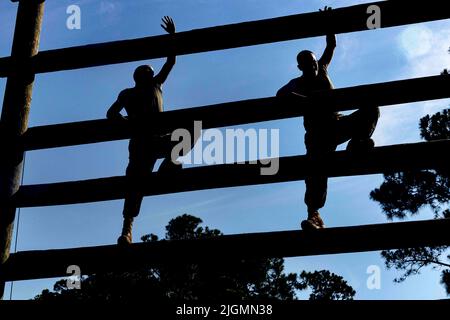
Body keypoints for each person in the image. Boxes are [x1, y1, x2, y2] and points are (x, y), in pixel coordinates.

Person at [276, 7, 380, 231]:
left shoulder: (322, 68)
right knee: (316, 172)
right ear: (300, 67)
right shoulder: (298, 82)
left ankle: (358, 142)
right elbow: (280, 95)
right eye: (307, 64)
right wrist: (305, 101)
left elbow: (331, 46)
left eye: (313, 62)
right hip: (317, 134)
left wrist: (328, 22)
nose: (312, 66)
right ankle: (315, 216)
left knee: (371, 108)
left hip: (337, 123)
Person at [107, 16, 189, 245]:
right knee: (134, 186)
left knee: (189, 132)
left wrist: (173, 37)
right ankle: (127, 230)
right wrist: (128, 124)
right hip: (142, 143)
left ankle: (169, 164)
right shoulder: (141, 90)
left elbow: (170, 62)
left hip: (151, 140)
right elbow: (111, 114)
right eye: (149, 73)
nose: (152, 75)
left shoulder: (148, 87)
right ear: (144, 76)